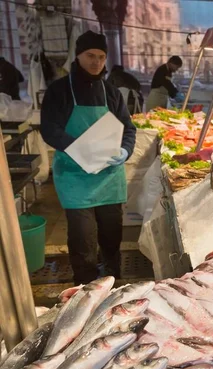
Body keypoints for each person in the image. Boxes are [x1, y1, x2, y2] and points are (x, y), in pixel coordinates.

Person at [40, 31, 136, 285]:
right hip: (75, 177)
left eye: (101, 57)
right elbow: (49, 129)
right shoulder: (59, 90)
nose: (96, 62)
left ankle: (114, 284)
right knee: (83, 239)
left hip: (109, 177)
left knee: (112, 235)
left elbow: (129, 128)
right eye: (90, 56)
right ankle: (84, 289)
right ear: (78, 56)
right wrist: (80, 148)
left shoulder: (111, 92)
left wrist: (125, 151)